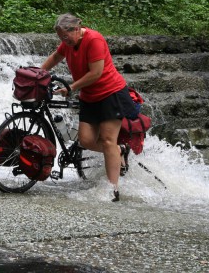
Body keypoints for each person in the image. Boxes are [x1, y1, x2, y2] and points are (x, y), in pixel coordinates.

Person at [40, 13, 138, 202]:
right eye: (60, 38)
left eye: (65, 37)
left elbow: (96, 73)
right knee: (85, 140)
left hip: (111, 94)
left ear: (76, 29)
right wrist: (38, 72)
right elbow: (56, 56)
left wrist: (72, 87)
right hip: (90, 96)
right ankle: (120, 150)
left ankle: (113, 190)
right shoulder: (68, 42)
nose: (63, 41)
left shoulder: (94, 39)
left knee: (108, 140)